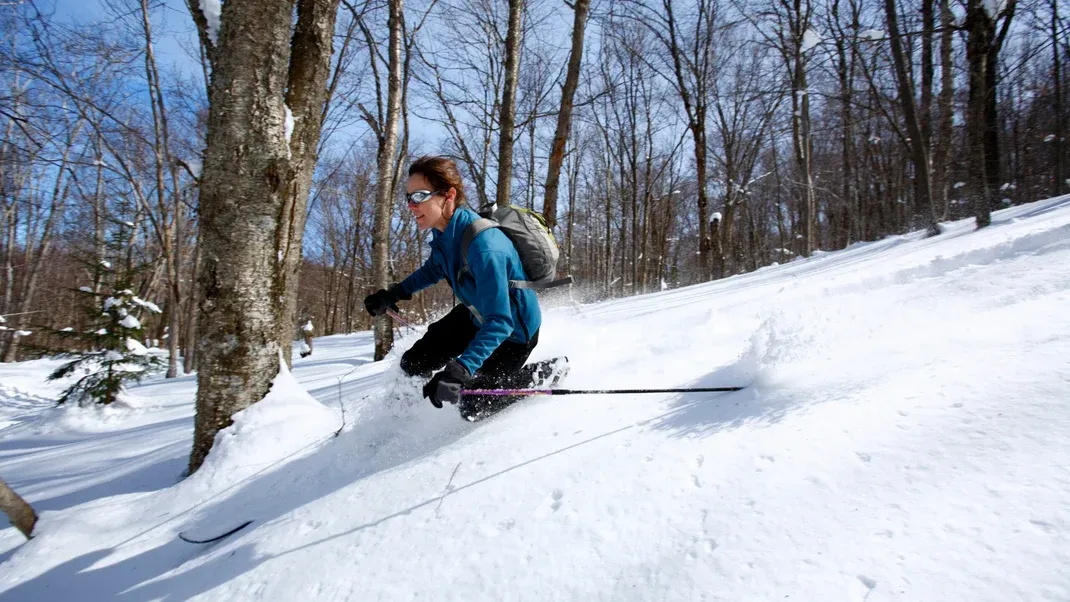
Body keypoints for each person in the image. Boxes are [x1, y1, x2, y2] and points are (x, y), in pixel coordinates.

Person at [363, 156, 542, 419]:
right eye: (409, 197)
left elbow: (500, 322)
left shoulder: (486, 247)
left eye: (420, 196)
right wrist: (394, 293)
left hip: (513, 334)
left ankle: (537, 376)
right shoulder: (446, 233)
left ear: (448, 195)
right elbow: (434, 268)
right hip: (475, 315)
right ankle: (394, 423)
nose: (412, 205)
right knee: (414, 363)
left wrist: (461, 368)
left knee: (472, 403)